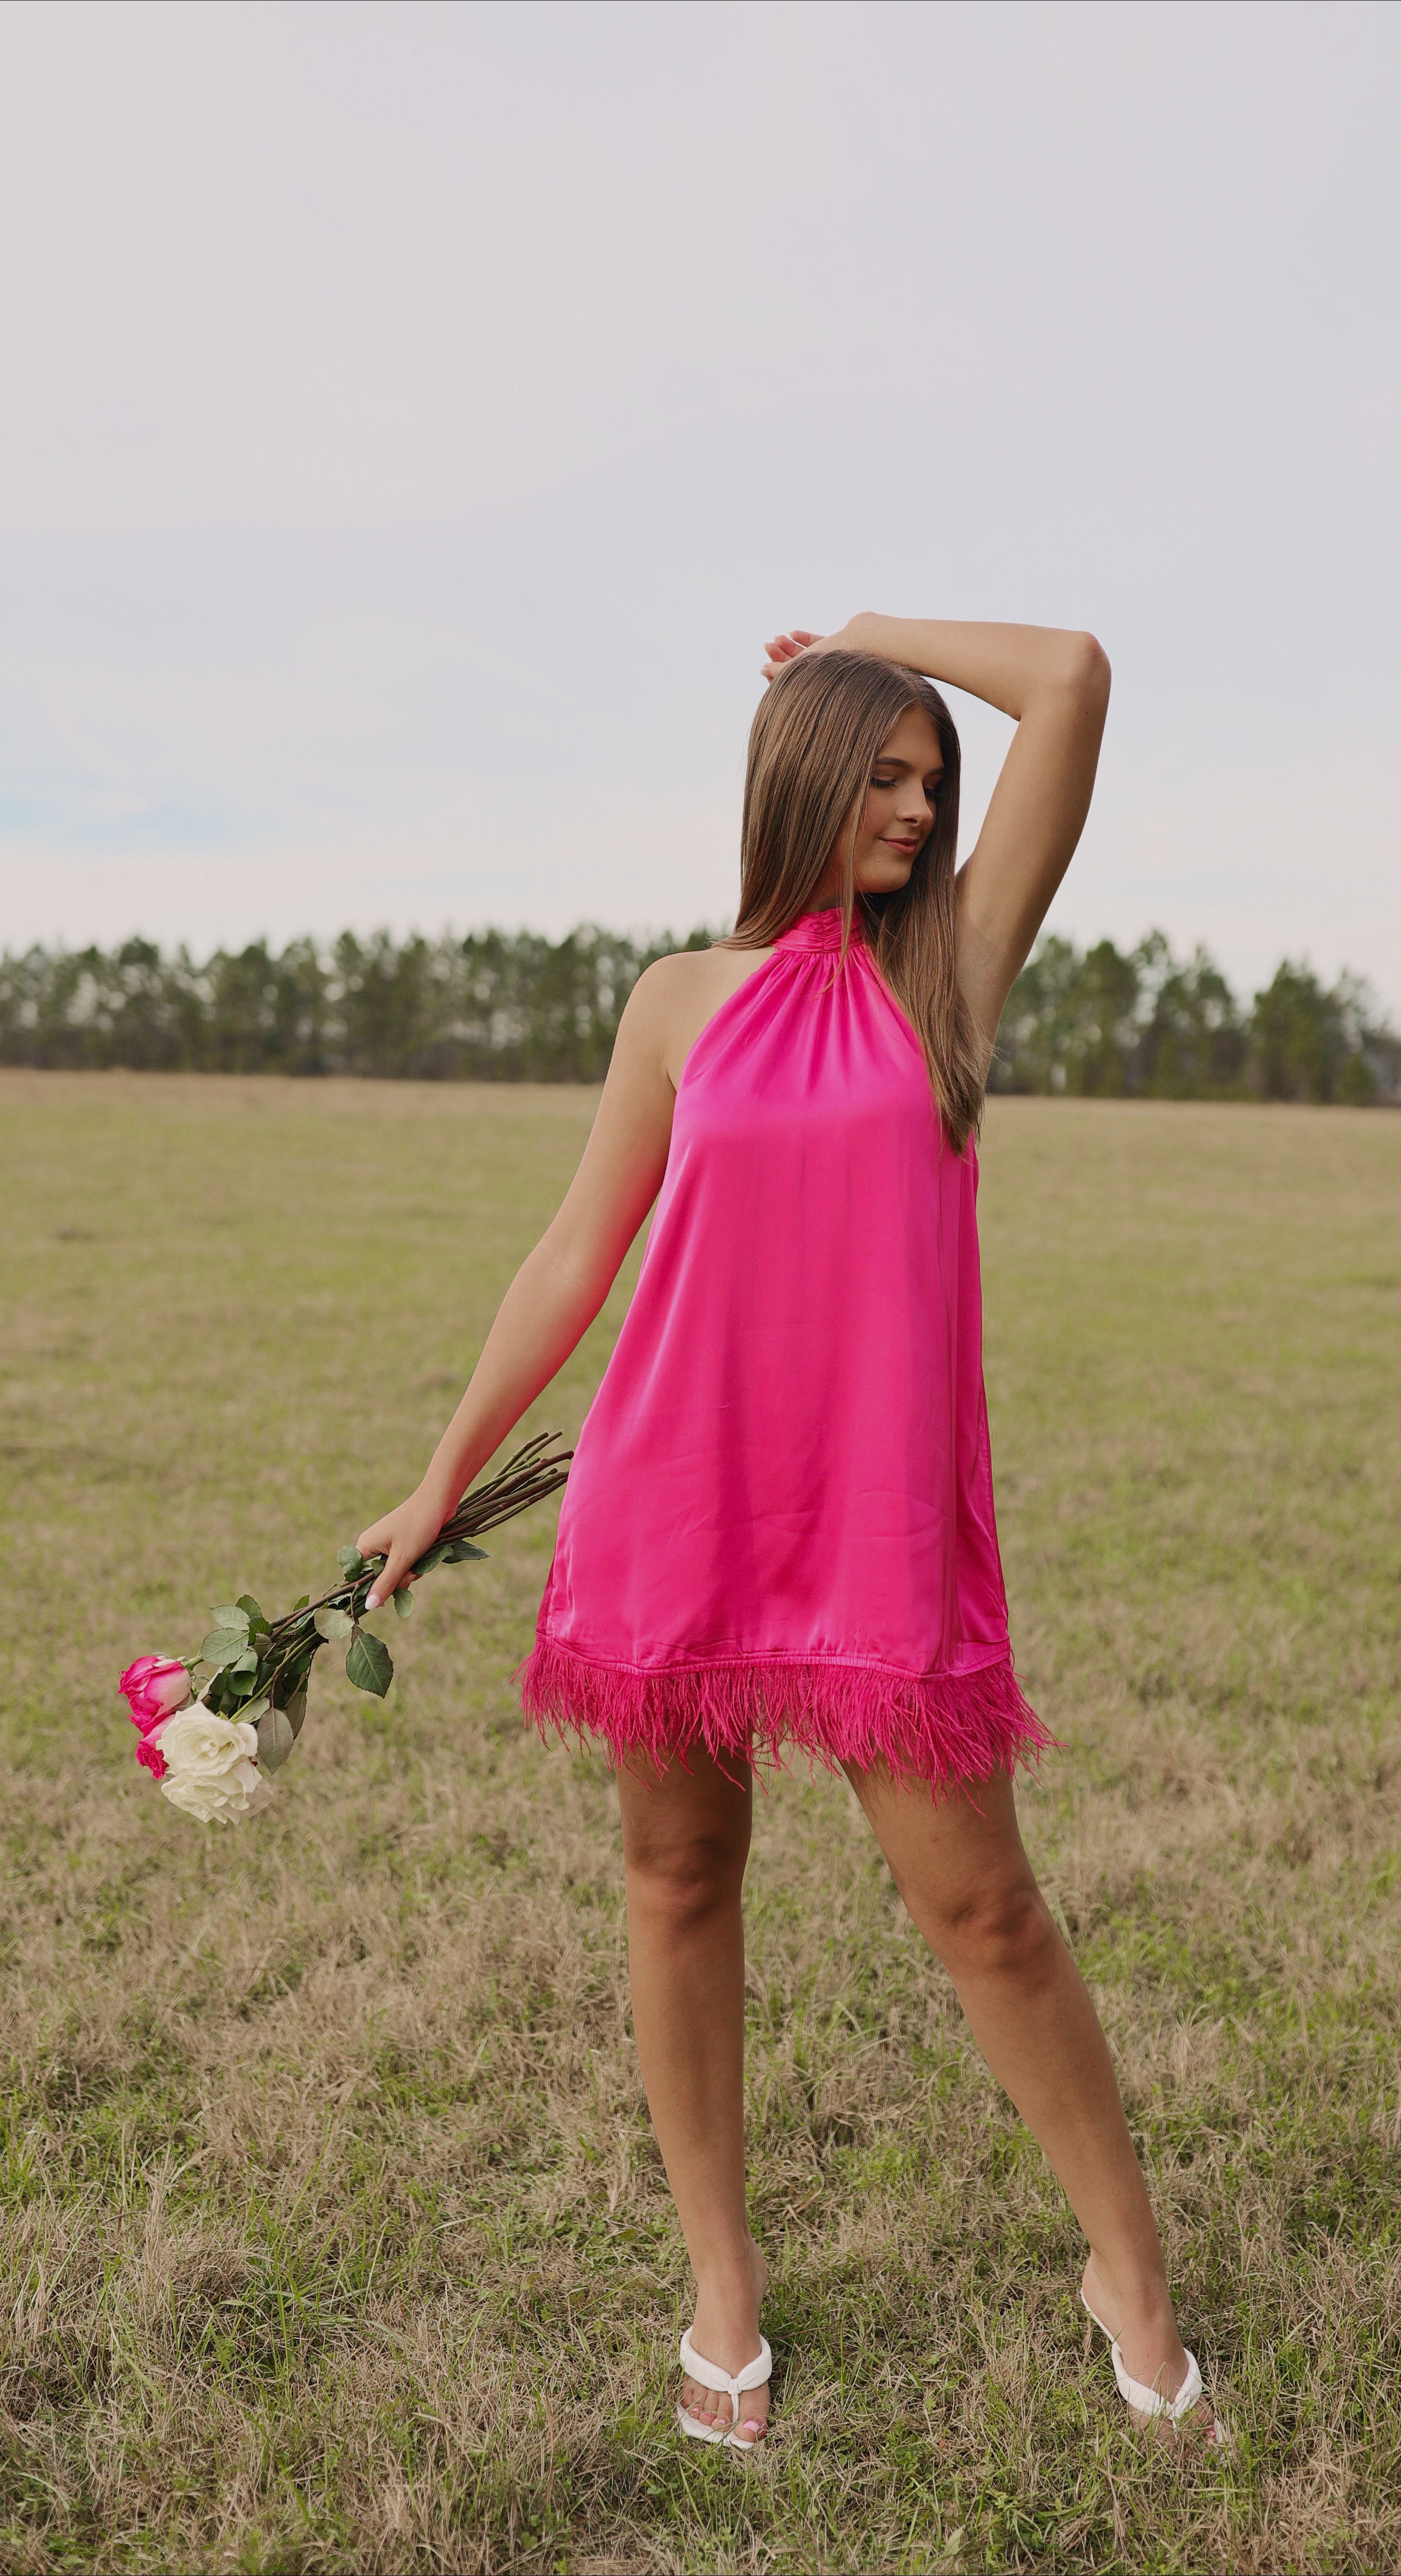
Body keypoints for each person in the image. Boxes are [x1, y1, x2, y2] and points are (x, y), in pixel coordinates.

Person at [358, 614, 1223, 2452]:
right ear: (803, 781)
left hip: (873, 1529)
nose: (919, 808)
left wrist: (868, 637)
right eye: (887, 775)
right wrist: (440, 1481)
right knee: (678, 1883)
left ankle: (1127, 2272)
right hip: (676, 1504)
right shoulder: (678, 999)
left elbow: (1070, 675)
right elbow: (576, 1255)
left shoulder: (953, 975)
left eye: (933, 781)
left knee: (985, 1909)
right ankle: (724, 2292)